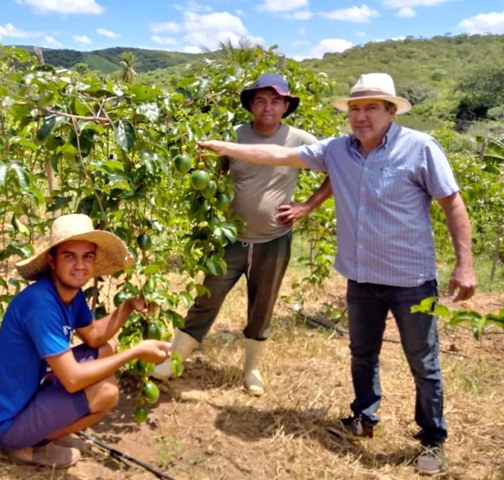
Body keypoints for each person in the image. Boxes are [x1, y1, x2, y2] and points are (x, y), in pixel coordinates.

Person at [197, 72, 476, 475]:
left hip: (410, 278)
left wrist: (464, 264)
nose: (361, 116)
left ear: (391, 111)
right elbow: (276, 155)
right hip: (360, 275)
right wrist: (221, 146)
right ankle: (363, 417)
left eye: (371, 108)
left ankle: (432, 438)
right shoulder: (337, 150)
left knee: (422, 359)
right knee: (362, 352)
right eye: (354, 108)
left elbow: (453, 204)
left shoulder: (419, 148)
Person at [151, 73, 332, 397]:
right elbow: (214, 179)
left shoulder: (300, 139)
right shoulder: (233, 136)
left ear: (286, 106)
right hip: (230, 239)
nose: (268, 107)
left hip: (274, 240)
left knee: (262, 305)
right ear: (250, 105)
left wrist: (307, 206)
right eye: (261, 100)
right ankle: (174, 361)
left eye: (275, 101)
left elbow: (336, 169)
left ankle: (251, 369)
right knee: (207, 297)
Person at [0, 213, 171, 469]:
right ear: (52, 260)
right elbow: (72, 380)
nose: (79, 265)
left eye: (87, 256)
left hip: (30, 392)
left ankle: (48, 429)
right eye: (69, 256)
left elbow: (95, 337)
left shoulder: (70, 293)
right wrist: (136, 352)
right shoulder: (41, 304)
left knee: (107, 348)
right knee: (106, 393)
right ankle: (29, 447)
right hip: (7, 423)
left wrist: (127, 307)